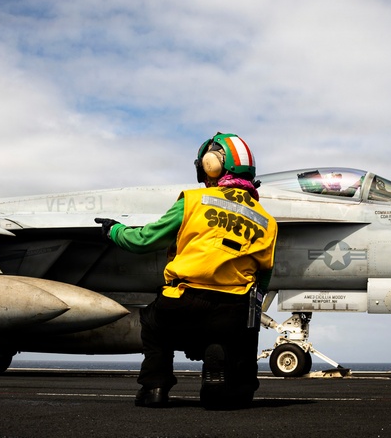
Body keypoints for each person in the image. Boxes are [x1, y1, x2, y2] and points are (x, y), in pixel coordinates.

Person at [95, 133, 278, 410]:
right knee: (241, 329)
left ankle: (155, 388)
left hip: (183, 301)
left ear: (210, 165)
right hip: (231, 309)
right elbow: (263, 278)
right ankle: (233, 386)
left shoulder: (194, 200)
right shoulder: (267, 221)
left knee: (153, 323)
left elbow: (144, 240)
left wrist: (115, 231)